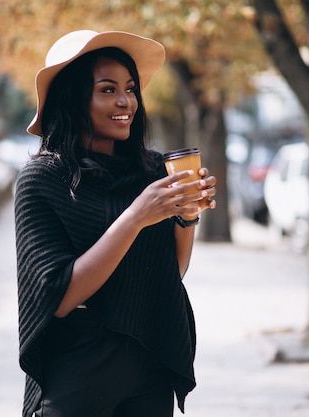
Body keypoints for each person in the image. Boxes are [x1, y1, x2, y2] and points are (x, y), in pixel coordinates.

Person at [14, 30, 217, 417]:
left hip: (149, 356)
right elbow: (59, 298)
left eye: (130, 88)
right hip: (76, 363)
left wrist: (186, 214)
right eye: (107, 90)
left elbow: (170, 271)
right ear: (73, 98)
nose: (126, 102)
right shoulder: (41, 180)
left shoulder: (153, 170)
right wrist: (137, 216)